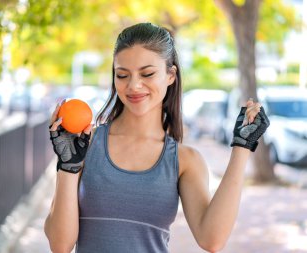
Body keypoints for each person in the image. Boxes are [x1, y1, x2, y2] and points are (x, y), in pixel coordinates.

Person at [44, 22, 270, 253]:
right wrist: (68, 167)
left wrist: (242, 147)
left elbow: (211, 240)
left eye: (147, 73)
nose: (133, 85)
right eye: (122, 75)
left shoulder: (185, 160)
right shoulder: (85, 145)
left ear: (171, 75)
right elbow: (60, 245)